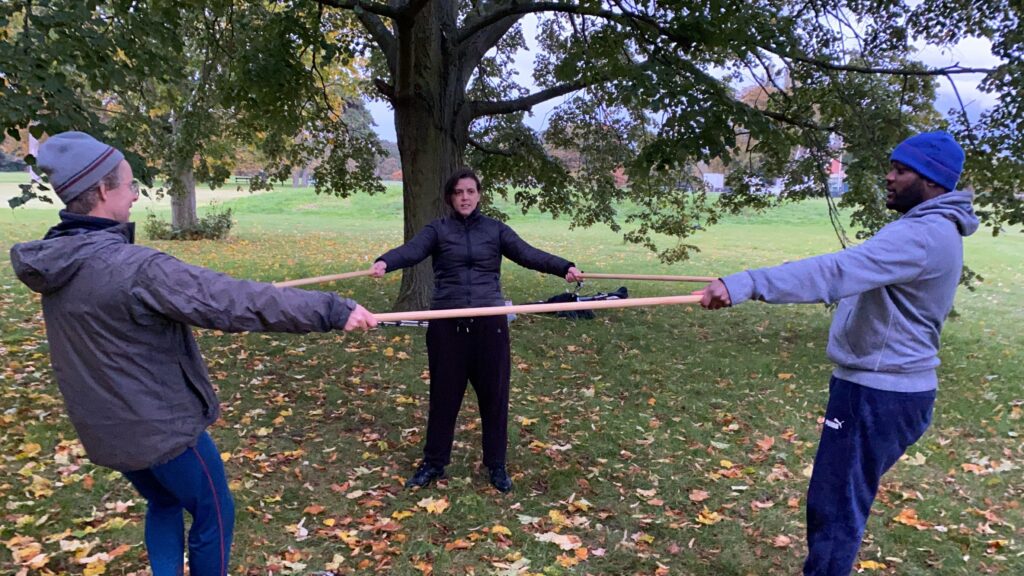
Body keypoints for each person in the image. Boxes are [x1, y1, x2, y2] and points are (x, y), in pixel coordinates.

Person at [9, 132, 377, 576]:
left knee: (163, 500)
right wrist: (334, 310)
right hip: (162, 432)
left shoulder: (58, 263)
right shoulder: (136, 268)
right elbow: (231, 301)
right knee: (214, 512)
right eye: (129, 186)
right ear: (104, 191)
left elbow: (160, 307)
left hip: (108, 431)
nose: (134, 195)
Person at [696, 131, 978, 575]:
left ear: (933, 183)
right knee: (836, 502)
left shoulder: (924, 235)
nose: (888, 176)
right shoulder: (924, 229)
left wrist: (747, 284)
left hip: (880, 394)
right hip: (877, 387)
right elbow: (852, 273)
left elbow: (839, 270)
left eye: (901, 170)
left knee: (836, 508)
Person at [371, 168, 582, 493]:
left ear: (479, 195)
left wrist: (564, 267)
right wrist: (385, 262)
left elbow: (528, 254)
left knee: (494, 397)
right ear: (450, 197)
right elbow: (411, 250)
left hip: (489, 325)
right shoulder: (437, 231)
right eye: (459, 192)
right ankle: (434, 463)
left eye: (471, 191)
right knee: (443, 397)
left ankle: (496, 465)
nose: (465, 197)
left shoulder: (495, 231)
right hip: (447, 325)